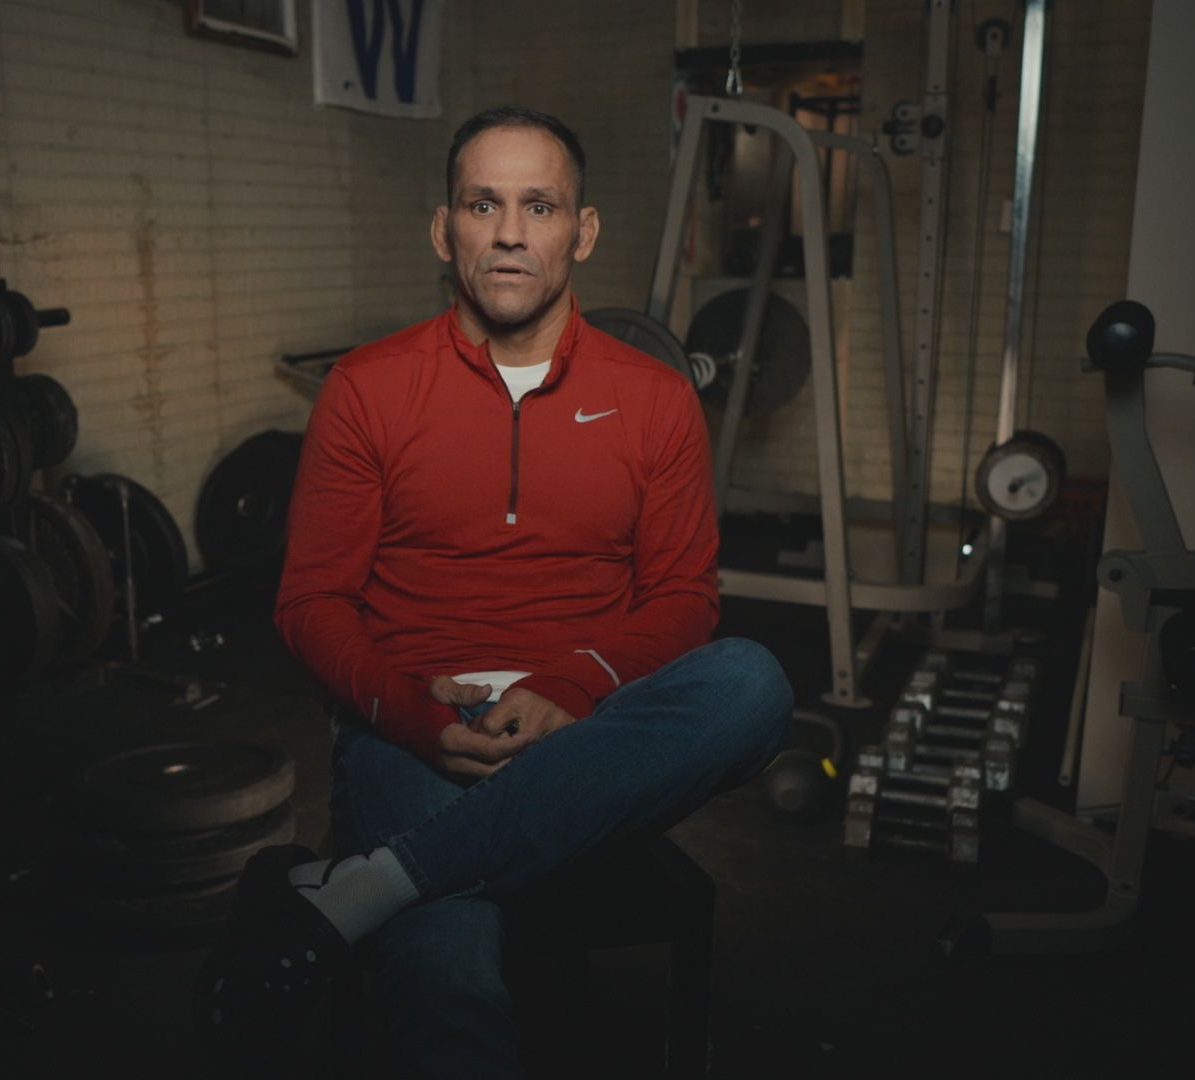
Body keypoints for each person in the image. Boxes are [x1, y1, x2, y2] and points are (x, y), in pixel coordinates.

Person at [193, 105, 792, 1076]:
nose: (511, 231)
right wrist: (408, 713)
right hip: (417, 719)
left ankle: (357, 890)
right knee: (449, 964)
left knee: (753, 682)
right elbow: (311, 601)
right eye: (484, 203)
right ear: (445, 228)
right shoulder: (367, 387)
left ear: (581, 231)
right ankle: (404, 885)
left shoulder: (653, 395)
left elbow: (684, 596)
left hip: (593, 722)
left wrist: (573, 685)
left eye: (540, 205)